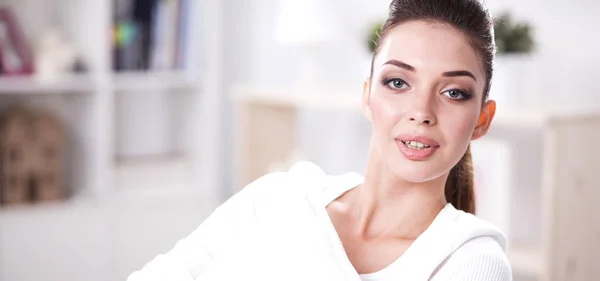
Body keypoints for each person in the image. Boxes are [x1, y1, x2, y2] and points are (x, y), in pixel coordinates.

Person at [127, 0, 512, 280]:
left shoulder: (471, 261)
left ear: (482, 119)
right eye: (398, 82)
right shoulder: (279, 198)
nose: (422, 111)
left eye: (454, 92)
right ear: (367, 95)